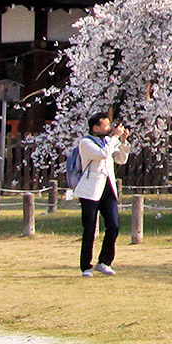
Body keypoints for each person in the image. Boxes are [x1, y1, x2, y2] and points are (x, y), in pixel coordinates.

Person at [70, 113, 131, 276]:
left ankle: (105, 261)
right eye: (105, 125)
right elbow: (102, 154)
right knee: (89, 228)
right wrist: (115, 138)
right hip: (90, 190)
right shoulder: (86, 143)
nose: (109, 128)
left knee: (114, 225)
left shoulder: (108, 141)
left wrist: (122, 141)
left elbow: (120, 159)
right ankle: (86, 266)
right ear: (95, 128)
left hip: (108, 188)